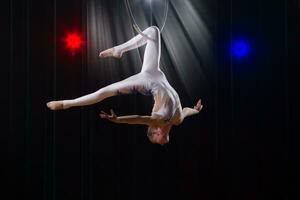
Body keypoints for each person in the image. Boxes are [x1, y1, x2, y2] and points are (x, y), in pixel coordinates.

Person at [47, 26, 203, 145]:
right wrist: (195, 110)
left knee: (104, 92)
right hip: (155, 73)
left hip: (145, 83)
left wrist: (118, 120)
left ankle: (66, 104)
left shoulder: (156, 121)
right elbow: (186, 111)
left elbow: (138, 118)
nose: (162, 143)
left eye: (157, 141)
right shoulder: (177, 120)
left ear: (155, 132)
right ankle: (118, 50)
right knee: (154, 31)